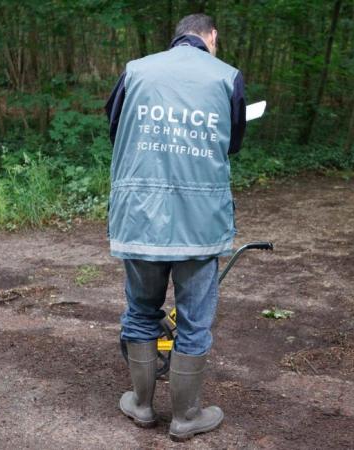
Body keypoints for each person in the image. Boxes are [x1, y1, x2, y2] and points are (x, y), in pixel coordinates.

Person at [104, 13, 246, 441]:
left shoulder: (136, 70)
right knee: (194, 320)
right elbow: (233, 142)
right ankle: (186, 417)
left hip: (140, 214)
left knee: (141, 310)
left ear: (177, 37)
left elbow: (117, 130)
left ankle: (142, 405)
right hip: (199, 221)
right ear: (211, 37)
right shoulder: (227, 77)